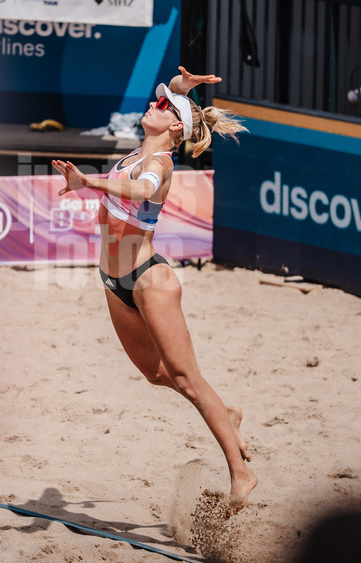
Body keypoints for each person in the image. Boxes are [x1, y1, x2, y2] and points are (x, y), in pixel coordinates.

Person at [51, 67, 257, 513]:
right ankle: (228, 414)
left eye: (163, 107)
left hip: (149, 281)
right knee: (156, 375)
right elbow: (173, 104)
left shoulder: (159, 166)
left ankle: (242, 474)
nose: (154, 103)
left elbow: (136, 189)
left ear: (175, 127)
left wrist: (86, 181)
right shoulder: (138, 150)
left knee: (186, 378)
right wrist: (182, 87)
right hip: (112, 279)